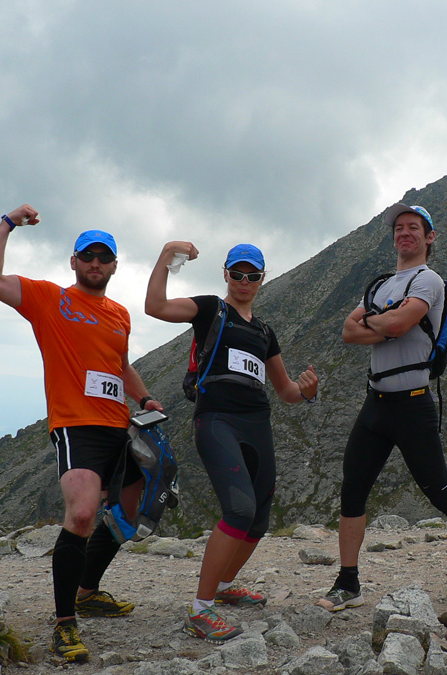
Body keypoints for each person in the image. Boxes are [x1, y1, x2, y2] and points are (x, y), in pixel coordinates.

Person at [0, 205, 164, 662]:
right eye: (88, 256)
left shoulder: (119, 314)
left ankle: (88, 592)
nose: (96, 263)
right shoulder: (49, 299)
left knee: (130, 514)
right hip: (76, 426)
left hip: (119, 426)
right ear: (74, 261)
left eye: (104, 257)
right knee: (81, 515)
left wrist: (144, 399)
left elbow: (119, 365)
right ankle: (64, 625)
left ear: (114, 266)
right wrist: (7, 223)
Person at [316, 203, 447, 613]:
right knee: (353, 491)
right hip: (375, 404)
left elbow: (399, 324)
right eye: (399, 227)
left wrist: (380, 324)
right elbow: (348, 332)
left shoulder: (428, 280)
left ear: (429, 237)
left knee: (440, 491)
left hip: (414, 405)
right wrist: (387, 324)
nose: (405, 233)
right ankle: (348, 582)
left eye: (414, 227)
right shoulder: (382, 285)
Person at [145, 241, 318, 643]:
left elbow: (286, 391)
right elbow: (156, 306)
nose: (244, 281)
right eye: (237, 273)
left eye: (252, 275)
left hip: (257, 423)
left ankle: (223, 586)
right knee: (239, 509)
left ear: (262, 278)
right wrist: (167, 256)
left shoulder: (264, 332)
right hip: (217, 420)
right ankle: (200, 610)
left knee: (258, 519)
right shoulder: (211, 310)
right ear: (225, 274)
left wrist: (307, 391)